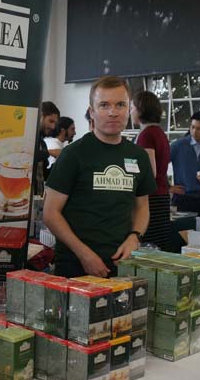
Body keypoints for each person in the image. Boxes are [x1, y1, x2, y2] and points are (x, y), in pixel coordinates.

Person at [44, 76, 156, 278]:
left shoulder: (138, 156)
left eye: (120, 105)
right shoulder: (73, 154)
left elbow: (142, 207)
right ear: (91, 112)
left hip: (122, 264)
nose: (113, 112)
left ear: (128, 109)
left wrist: (134, 237)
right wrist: (84, 254)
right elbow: (51, 214)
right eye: (104, 105)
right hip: (76, 265)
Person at [131, 90, 174, 251]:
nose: (130, 112)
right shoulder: (159, 133)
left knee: (149, 247)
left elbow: (150, 171)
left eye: (132, 108)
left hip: (151, 198)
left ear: (141, 110)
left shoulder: (147, 135)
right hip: (161, 195)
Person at [169, 110, 200, 214]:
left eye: (199, 128)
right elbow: (158, 165)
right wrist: (169, 187)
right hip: (182, 199)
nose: (194, 131)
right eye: (192, 127)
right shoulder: (177, 146)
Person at [34, 101, 59, 189]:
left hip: (37, 198)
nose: (53, 127)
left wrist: (61, 162)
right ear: (41, 116)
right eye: (51, 121)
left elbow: (45, 175)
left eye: (55, 123)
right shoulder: (26, 138)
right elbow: (29, 157)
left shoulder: (42, 143)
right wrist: (50, 152)